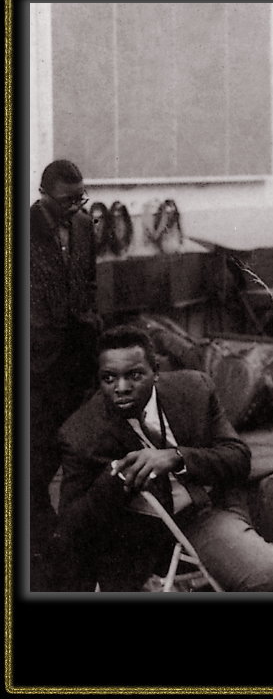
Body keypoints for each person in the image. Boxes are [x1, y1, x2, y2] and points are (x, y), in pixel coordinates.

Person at [53, 325, 273, 592]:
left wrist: (176, 458)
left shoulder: (193, 389)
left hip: (240, 493)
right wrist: (114, 480)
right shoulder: (82, 433)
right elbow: (70, 529)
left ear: (156, 371)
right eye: (109, 378)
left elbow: (237, 457)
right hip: (194, 522)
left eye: (134, 375)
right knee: (269, 574)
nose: (121, 387)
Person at [30, 159, 100, 590]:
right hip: (36, 366)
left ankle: (71, 542)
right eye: (66, 200)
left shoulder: (86, 226)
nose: (75, 207)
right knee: (35, 462)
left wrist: (91, 322)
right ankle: (39, 548)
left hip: (79, 362)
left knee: (79, 451)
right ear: (43, 195)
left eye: (80, 198)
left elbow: (89, 282)